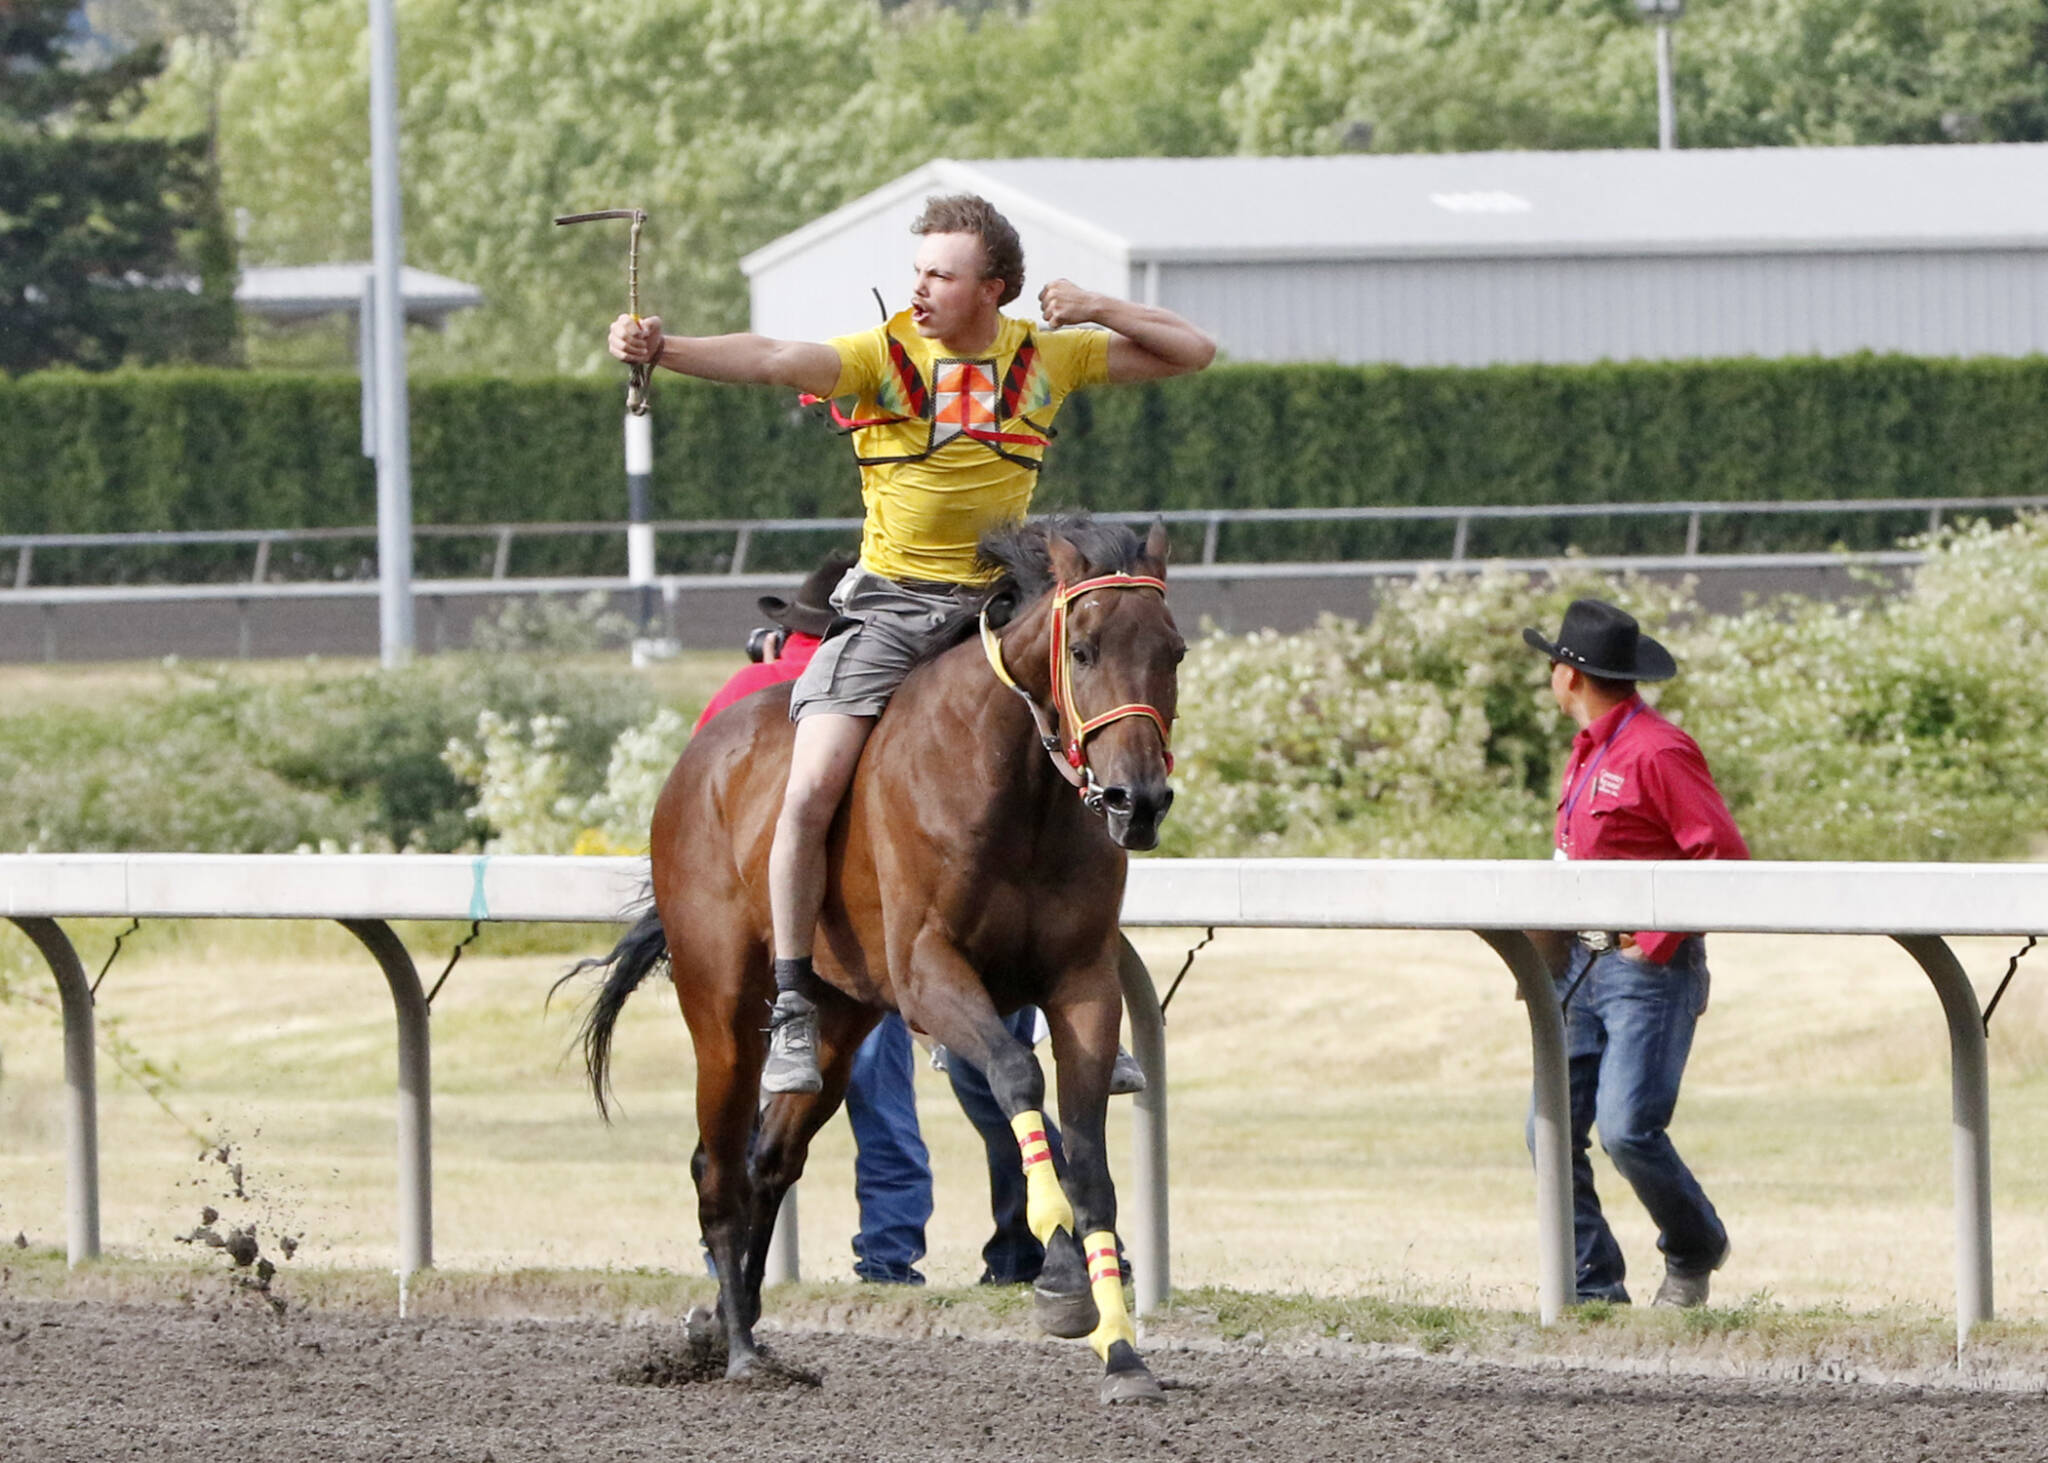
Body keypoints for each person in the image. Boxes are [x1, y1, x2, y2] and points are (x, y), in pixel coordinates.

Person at [611, 191, 1215, 1095]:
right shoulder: (881, 357)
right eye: (919, 270)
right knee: (811, 786)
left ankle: (1086, 1005)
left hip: (999, 610)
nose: (921, 288)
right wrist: (669, 350)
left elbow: (1193, 350)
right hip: (890, 613)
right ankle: (791, 1006)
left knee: (1087, 772)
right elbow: (775, 356)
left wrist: (1099, 305)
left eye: (941, 274)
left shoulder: (1045, 359)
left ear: (995, 289)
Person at [695, 551, 1079, 1286]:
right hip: (935, 922)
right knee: (965, 1087)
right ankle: (977, 1250)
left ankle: (854, 1257)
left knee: (840, 1095)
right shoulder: (926, 677)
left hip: (842, 930)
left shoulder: (766, 684)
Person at [1522, 597, 1748, 1309]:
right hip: (1579, 968)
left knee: (1626, 1128)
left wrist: (1652, 944)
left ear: (1571, 674)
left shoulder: (1658, 749)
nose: (1551, 676)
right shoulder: (1591, 746)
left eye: (1553, 664)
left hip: (1643, 971)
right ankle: (1594, 1289)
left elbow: (1719, 854)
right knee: (1547, 1131)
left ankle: (1693, 1247)